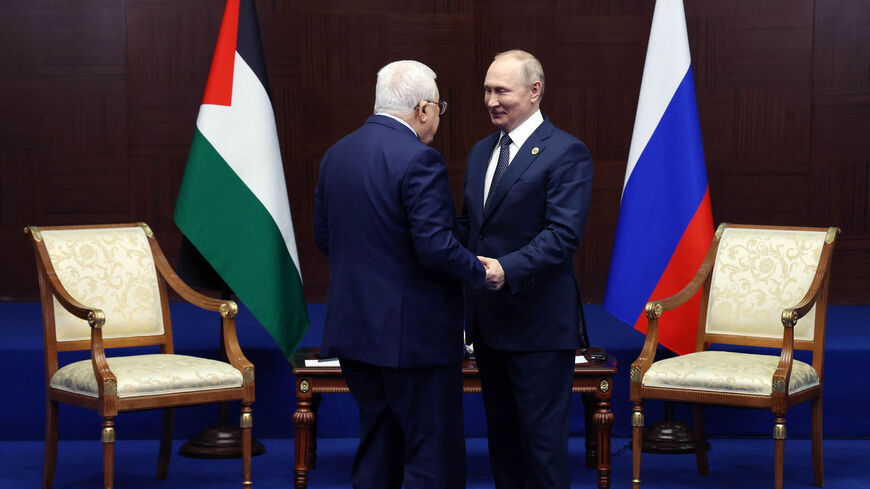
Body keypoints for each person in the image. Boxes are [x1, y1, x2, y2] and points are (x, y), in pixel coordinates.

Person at [314, 60, 488, 489]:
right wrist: (483, 272)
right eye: (440, 109)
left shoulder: (336, 154)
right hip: (414, 342)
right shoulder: (419, 160)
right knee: (432, 455)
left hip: (355, 335)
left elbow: (324, 239)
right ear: (424, 109)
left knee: (378, 444)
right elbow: (435, 247)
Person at [456, 50, 594, 489]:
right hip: (489, 324)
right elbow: (468, 227)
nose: (491, 100)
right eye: (486, 90)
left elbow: (562, 235)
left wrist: (504, 269)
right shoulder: (481, 152)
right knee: (504, 441)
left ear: (535, 92)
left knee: (542, 445)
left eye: (501, 91)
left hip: (539, 326)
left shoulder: (567, 152)